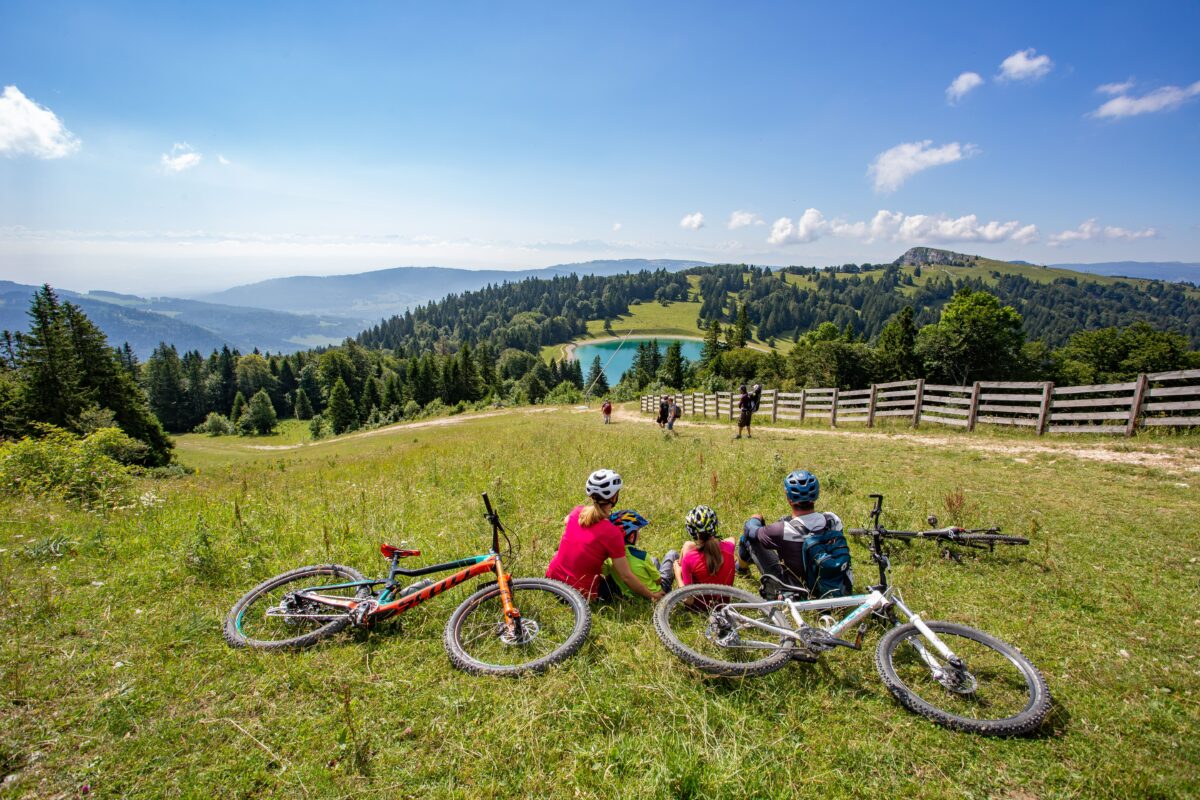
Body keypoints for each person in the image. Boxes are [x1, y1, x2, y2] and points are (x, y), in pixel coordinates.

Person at [546, 469, 664, 603]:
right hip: (578, 595)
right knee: (617, 580)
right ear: (614, 498)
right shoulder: (612, 533)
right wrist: (651, 596)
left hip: (552, 582)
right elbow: (625, 576)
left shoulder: (576, 512)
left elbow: (567, 520)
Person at [737, 469, 853, 599]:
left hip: (799, 593)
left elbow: (750, 530)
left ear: (789, 499)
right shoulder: (833, 520)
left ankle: (740, 569)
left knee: (749, 539)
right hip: (836, 586)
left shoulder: (781, 529)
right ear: (816, 495)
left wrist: (756, 518)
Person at [602, 509, 677, 596]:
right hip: (656, 592)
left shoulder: (609, 558)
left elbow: (607, 575)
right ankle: (681, 590)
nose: (639, 533)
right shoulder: (642, 556)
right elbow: (658, 580)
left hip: (632, 596)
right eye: (638, 530)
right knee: (672, 554)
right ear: (631, 537)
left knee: (654, 560)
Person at [673, 505, 737, 587]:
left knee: (687, 546)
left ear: (691, 532)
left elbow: (688, 599)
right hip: (724, 599)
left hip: (699, 599)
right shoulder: (730, 547)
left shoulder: (689, 559)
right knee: (687, 545)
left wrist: (677, 574)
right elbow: (731, 539)